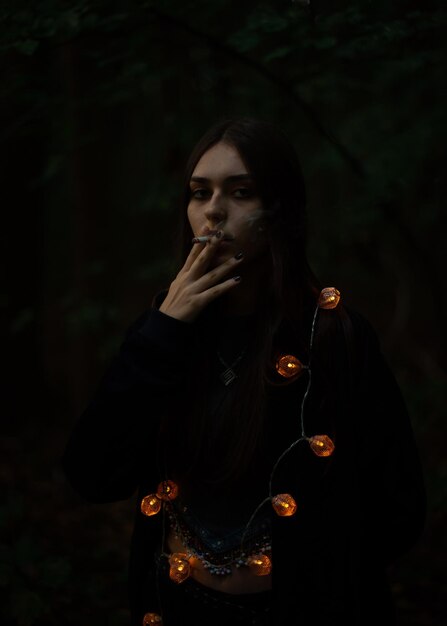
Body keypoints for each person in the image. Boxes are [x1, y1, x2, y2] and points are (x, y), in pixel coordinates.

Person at [62, 117, 426, 625]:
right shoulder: (160, 335)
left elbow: (399, 507)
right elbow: (92, 475)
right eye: (199, 192)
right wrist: (163, 334)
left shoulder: (330, 336)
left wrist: (322, 580)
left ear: (279, 211)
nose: (213, 210)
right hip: (180, 609)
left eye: (241, 192)